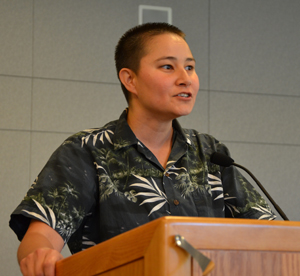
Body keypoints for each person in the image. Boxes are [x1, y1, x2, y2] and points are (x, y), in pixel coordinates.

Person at [9, 22, 275, 276]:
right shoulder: (87, 151)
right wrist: (40, 253)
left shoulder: (211, 153)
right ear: (130, 79)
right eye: (168, 67)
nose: (186, 79)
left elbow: (268, 233)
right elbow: (41, 234)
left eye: (191, 67)